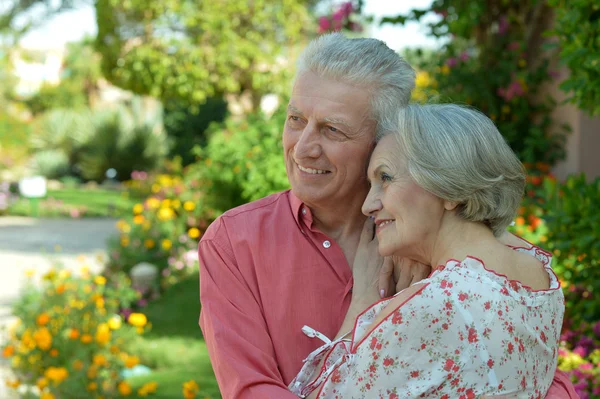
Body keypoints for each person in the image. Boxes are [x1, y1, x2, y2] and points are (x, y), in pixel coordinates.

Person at [198, 33, 577, 398]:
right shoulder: (233, 241)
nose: (302, 149)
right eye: (295, 119)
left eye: (332, 129)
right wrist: (363, 304)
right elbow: (250, 391)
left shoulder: (447, 243)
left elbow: (532, 368)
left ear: (384, 139)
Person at [289, 104, 565, 398]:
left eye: (385, 178)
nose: (368, 205)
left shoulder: (437, 304)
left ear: (450, 187)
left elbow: (316, 393)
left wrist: (365, 298)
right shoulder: (541, 278)